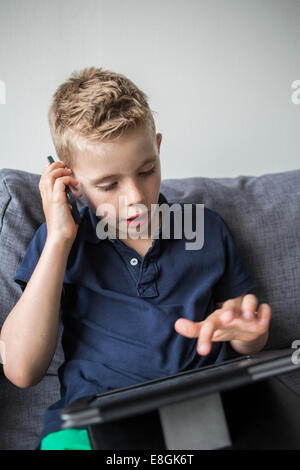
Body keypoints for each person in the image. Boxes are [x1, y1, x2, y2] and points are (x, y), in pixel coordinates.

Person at [0, 67, 272, 450]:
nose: (134, 198)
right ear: (69, 179)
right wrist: (60, 237)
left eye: (146, 171)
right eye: (108, 185)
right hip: (93, 418)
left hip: (197, 409)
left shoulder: (206, 229)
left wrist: (250, 334)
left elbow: (243, 334)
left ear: (157, 147)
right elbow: (22, 370)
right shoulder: (59, 239)